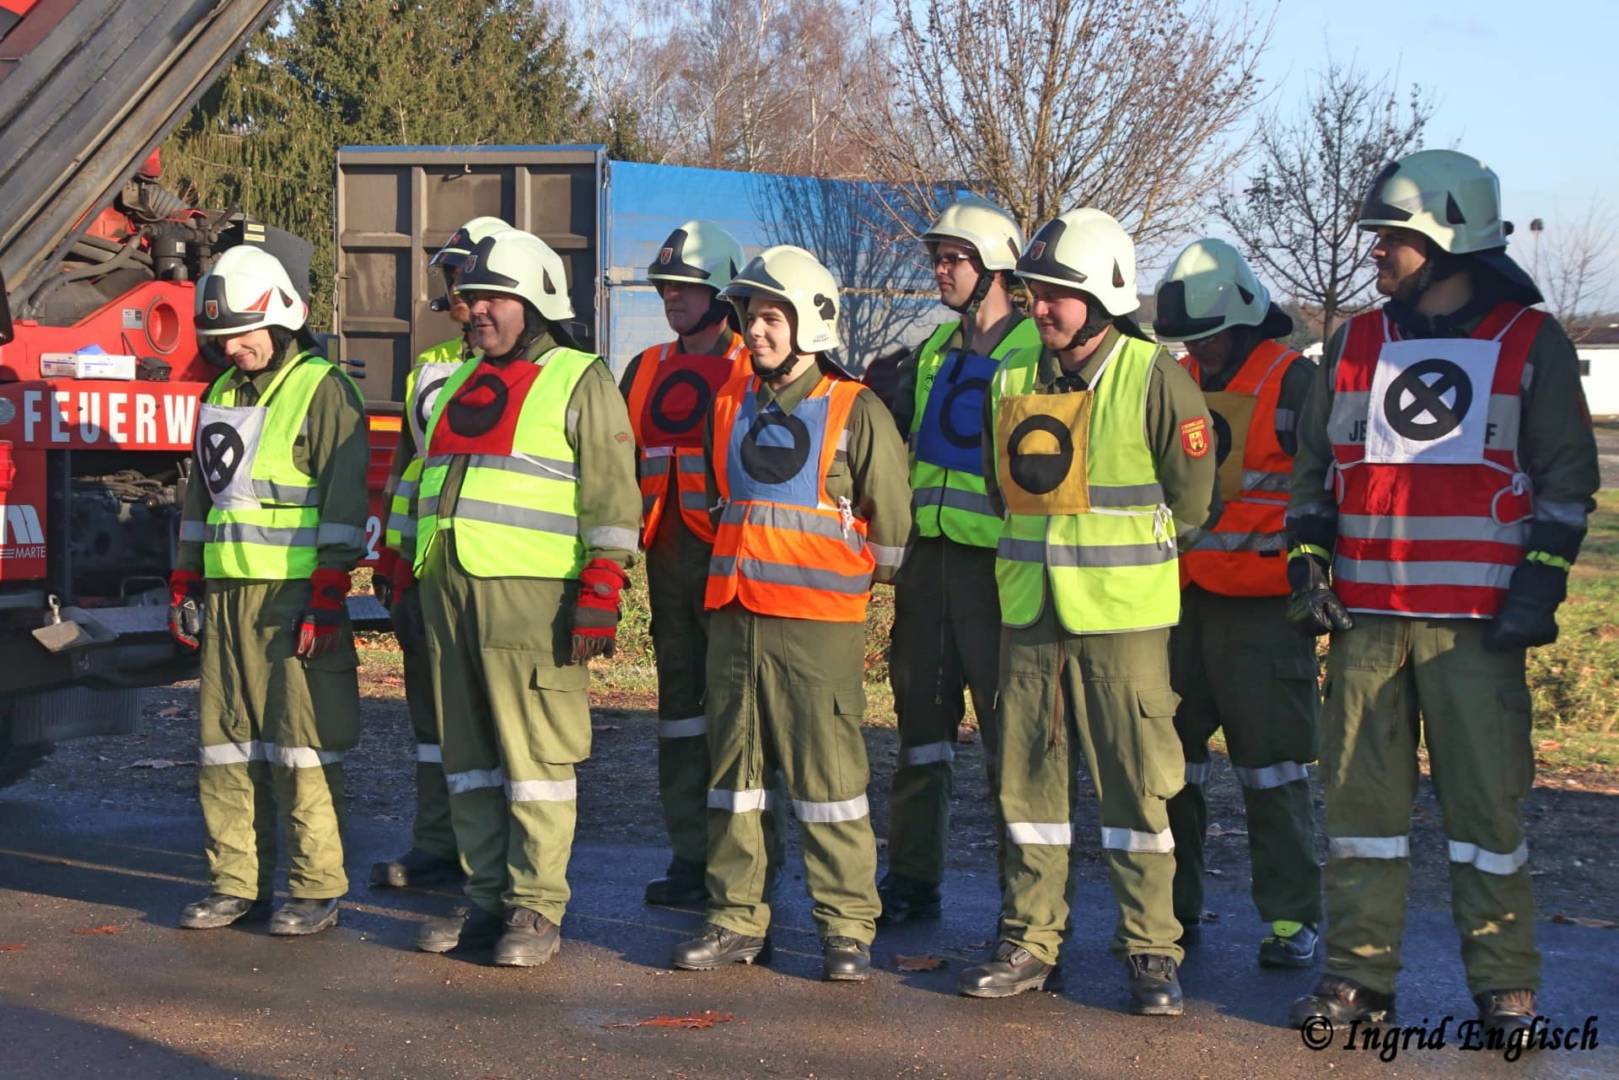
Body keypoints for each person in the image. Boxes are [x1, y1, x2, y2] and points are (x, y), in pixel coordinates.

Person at [1285, 150, 1600, 1036]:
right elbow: (1313, 475)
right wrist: (1306, 566)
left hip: (1476, 630)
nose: (1374, 251)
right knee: (1359, 816)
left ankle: (1505, 986)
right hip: (1365, 624)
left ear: (1448, 238)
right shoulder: (1352, 342)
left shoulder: (1529, 341)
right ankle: (1356, 979)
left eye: (1390, 236)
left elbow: (1568, 482)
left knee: (1485, 814)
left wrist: (1538, 589)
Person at [958, 209, 1216, 1016]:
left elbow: (1191, 501)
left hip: (1122, 624)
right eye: (1033, 293)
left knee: (1138, 790)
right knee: (1027, 787)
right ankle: (1028, 939)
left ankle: (1150, 949)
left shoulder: (1152, 375)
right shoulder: (1009, 377)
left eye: (1056, 295)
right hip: (1030, 618)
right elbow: (999, 489)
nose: (1039, 307)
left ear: (1104, 295)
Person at [669, 245, 911, 982]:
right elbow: (714, 500)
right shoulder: (727, 401)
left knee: (829, 780)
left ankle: (846, 928)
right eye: (751, 316)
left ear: (810, 323)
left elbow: (892, 529)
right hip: (735, 619)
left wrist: (841, 579)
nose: (757, 330)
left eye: (773, 317)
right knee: (733, 778)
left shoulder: (856, 407)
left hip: (817, 628)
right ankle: (736, 918)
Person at [408, 228, 640, 967]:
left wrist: (602, 587)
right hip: (450, 591)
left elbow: (612, 495)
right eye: (472, 296)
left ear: (535, 303)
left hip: (531, 598)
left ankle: (535, 906)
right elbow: (429, 479)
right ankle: (485, 896)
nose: (476, 309)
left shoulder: (578, 377)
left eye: (493, 298)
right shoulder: (461, 379)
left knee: (535, 757)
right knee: (469, 758)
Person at [170, 244, 369, 936]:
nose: (232, 348)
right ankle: (235, 884)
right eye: (221, 337)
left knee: (301, 746)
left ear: (282, 318)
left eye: (243, 333)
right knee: (225, 745)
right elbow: (203, 497)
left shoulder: (322, 389)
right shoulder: (220, 393)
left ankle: (315, 889)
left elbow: (344, 499)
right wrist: (186, 578)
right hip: (228, 596)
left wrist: (329, 589)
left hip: (294, 597)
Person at [1152, 238, 1324, 967]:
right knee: (1170, 770)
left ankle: (1291, 920)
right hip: (1180, 603)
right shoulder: (1175, 380)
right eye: (1190, 338)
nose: (1201, 349)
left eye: (1211, 335)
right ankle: (1170, 913)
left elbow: (1324, 487)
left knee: (1273, 771)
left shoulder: (1294, 383)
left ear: (1246, 320)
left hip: (1263, 612)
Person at [880, 195, 1040, 923]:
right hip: (928, 565)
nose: (940, 270)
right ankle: (912, 879)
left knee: (1013, 743)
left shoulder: (1036, 355)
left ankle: (1026, 905)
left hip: (998, 573)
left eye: (955, 259)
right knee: (920, 731)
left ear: (996, 268)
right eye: (937, 258)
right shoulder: (933, 353)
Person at [618, 221, 784, 906]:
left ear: (721, 293)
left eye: (686, 286)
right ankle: (691, 854)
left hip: (735, 564)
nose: (672, 297)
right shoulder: (644, 368)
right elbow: (620, 463)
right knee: (680, 718)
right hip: (667, 563)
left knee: (741, 721)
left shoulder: (755, 366)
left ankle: (747, 864)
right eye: (665, 286)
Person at [370, 214, 508, 890]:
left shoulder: (535, 368)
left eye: (469, 276)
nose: (459, 289)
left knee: (496, 719)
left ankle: (501, 858)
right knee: (431, 716)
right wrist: (392, 557)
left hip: (500, 572)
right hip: (427, 569)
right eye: (453, 276)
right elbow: (408, 470)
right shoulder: (429, 369)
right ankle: (437, 842)